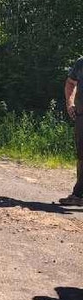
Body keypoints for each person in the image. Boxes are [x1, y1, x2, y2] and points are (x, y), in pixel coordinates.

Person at [58, 56, 83, 207]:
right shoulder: (81, 63)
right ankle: (79, 195)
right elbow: (70, 82)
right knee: (82, 156)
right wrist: (70, 103)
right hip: (82, 115)